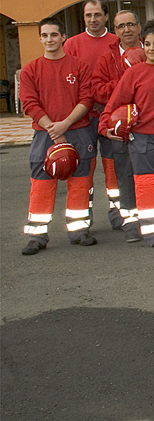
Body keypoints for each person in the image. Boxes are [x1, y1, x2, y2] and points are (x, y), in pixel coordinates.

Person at [99, 19, 154, 249]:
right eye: (147, 44)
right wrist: (105, 126)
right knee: (147, 185)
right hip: (143, 139)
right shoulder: (134, 74)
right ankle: (153, 232)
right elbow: (115, 103)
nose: (151, 49)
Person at [18, 17, 97, 255]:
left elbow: (86, 99)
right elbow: (29, 103)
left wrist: (65, 124)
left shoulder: (79, 66)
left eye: (54, 35)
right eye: (44, 35)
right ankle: (37, 235)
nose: (49, 39)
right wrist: (53, 128)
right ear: (40, 38)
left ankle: (79, 231)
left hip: (78, 131)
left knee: (81, 181)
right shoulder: (31, 69)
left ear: (63, 37)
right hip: (45, 134)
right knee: (42, 182)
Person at [63, 0, 119, 230]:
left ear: (106, 16)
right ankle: (82, 218)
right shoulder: (72, 45)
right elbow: (67, 82)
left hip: (112, 115)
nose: (93, 19)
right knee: (83, 169)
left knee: (114, 167)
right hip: (83, 118)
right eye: (88, 15)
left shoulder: (117, 41)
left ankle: (118, 213)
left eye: (97, 14)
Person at [92, 9, 143, 242]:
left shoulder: (152, 49)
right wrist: (124, 82)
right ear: (115, 32)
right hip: (121, 125)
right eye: (121, 26)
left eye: (131, 24)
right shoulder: (107, 58)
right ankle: (131, 222)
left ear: (139, 27)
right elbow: (97, 91)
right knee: (125, 174)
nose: (127, 30)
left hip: (150, 123)